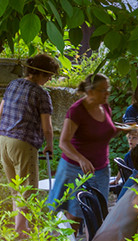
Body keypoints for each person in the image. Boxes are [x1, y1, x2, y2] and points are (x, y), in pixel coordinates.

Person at [0, 53, 60, 232]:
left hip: (4, 140)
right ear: (40, 73)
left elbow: (1, 112)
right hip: (24, 143)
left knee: (15, 189)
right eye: (48, 76)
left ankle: (20, 231)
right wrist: (49, 145)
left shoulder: (13, 84)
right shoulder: (41, 93)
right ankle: (20, 234)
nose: (49, 79)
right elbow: (47, 127)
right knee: (28, 190)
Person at [47, 73, 118, 226]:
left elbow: (101, 131)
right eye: (103, 90)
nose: (107, 93)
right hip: (76, 170)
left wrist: (122, 129)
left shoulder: (105, 107)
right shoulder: (77, 111)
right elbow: (63, 143)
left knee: (98, 212)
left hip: (101, 169)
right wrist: (81, 159)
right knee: (76, 215)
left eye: (108, 89)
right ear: (90, 91)